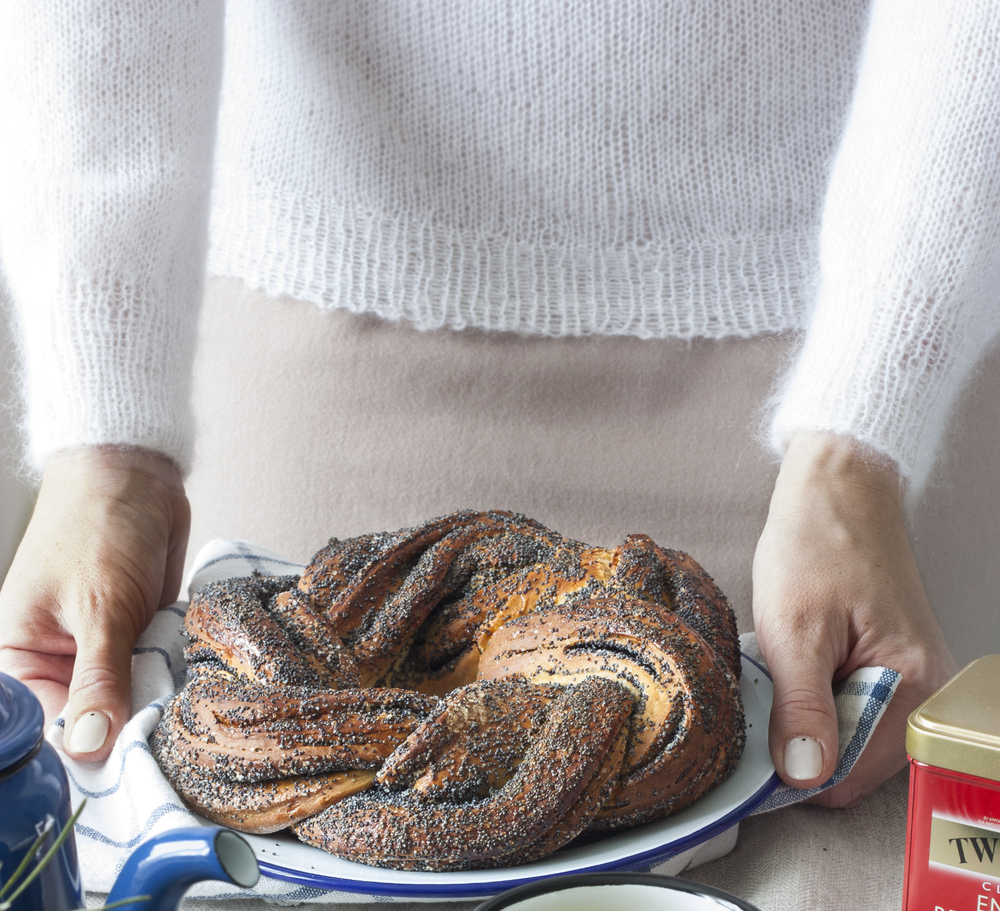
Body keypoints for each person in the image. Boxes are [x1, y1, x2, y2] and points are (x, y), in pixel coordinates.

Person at [1, 1, 995, 809]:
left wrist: (868, 423)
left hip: (860, 386)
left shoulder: (867, 419)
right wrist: (106, 436)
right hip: (315, 351)